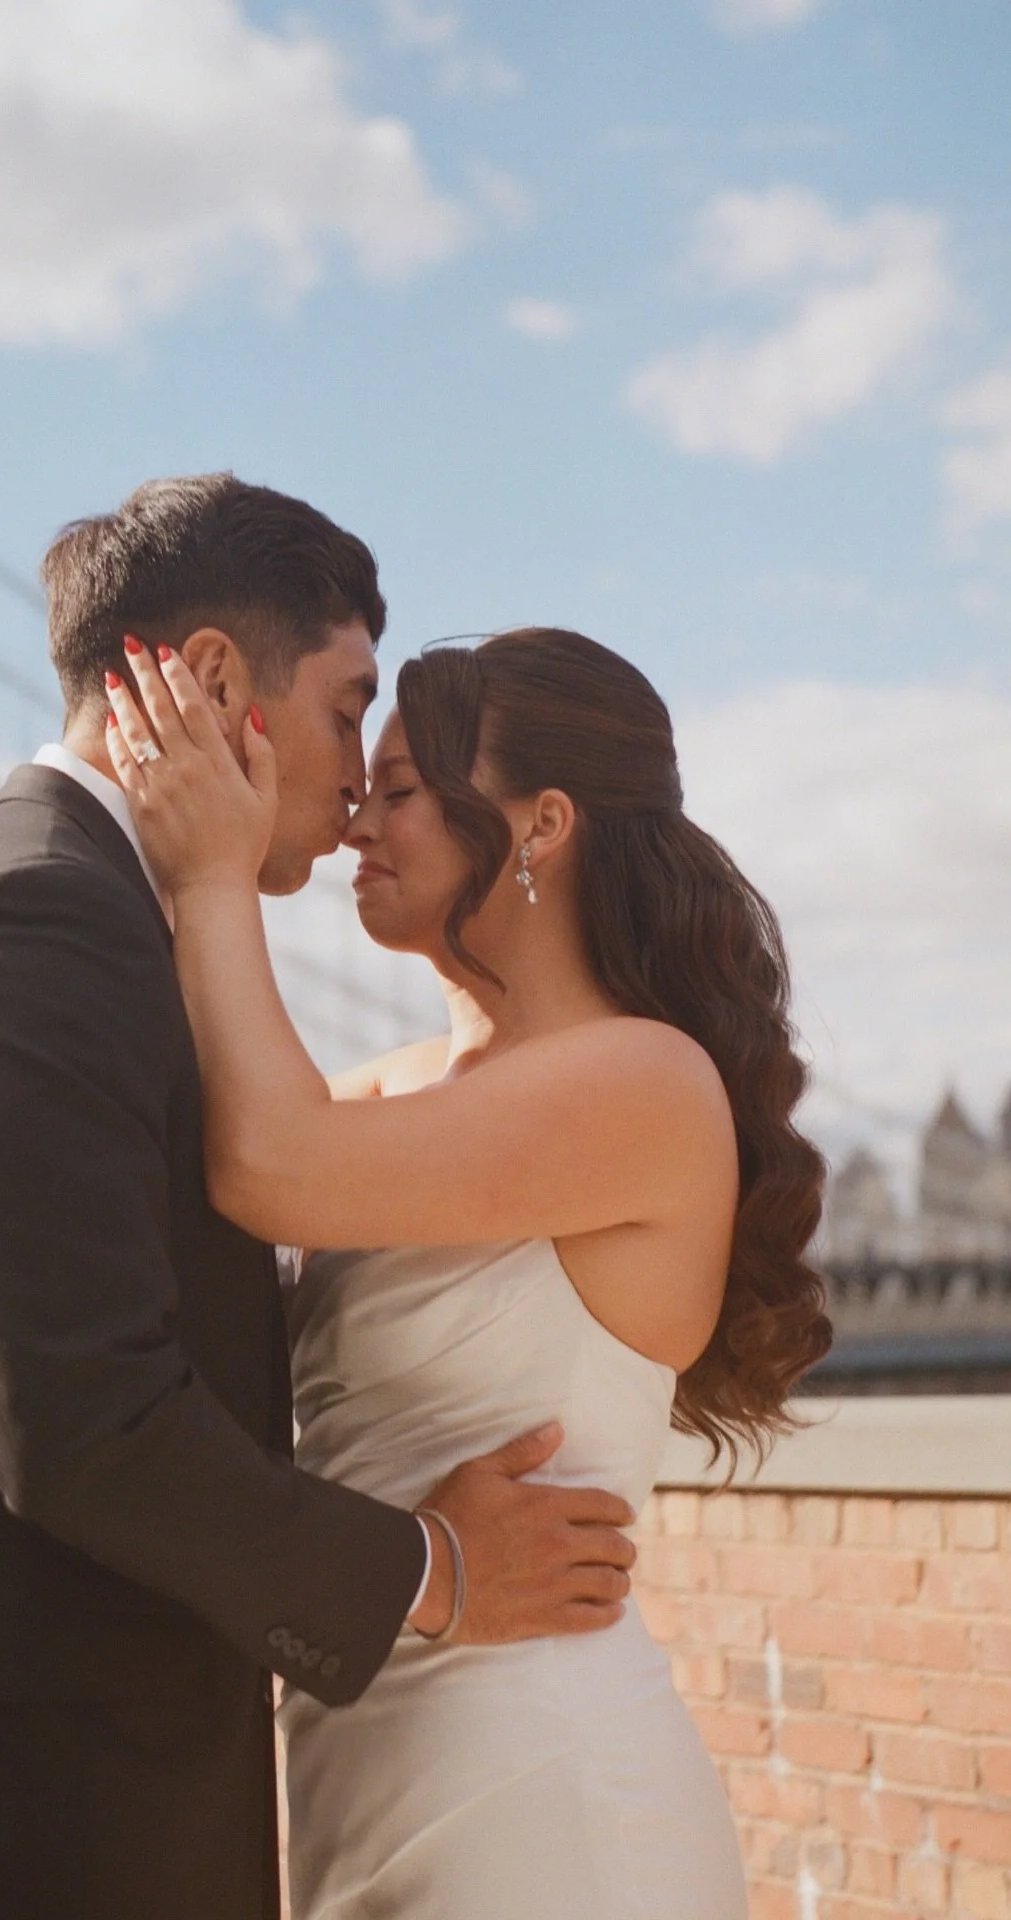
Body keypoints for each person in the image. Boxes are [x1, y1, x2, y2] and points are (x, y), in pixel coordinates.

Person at [0, 481, 640, 1920]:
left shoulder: (88, 913)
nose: (354, 784)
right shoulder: (31, 922)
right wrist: (435, 1571)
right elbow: (78, 1421)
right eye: (344, 711)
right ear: (215, 683)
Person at [104, 625, 832, 1920]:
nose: (349, 825)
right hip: (362, 1760)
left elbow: (272, 1166)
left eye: (398, 791)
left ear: (542, 824)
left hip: (541, 1786)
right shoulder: (381, 1092)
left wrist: (212, 869)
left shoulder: (643, 1081)